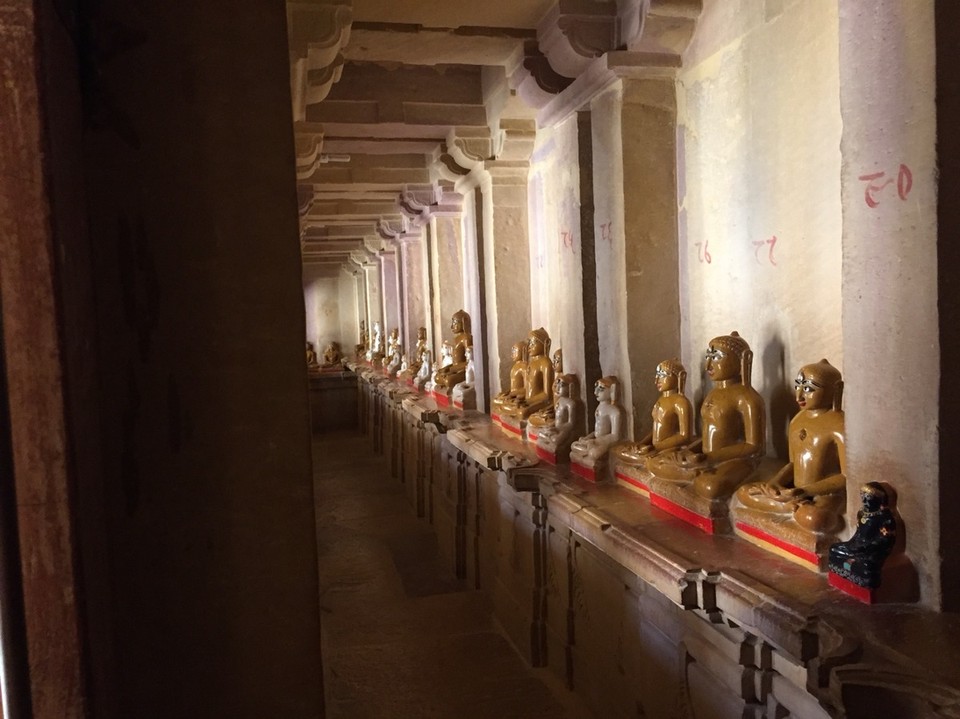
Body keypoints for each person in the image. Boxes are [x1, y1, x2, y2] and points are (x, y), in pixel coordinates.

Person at [647, 332, 765, 499]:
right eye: (707, 357)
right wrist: (689, 451)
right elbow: (707, 435)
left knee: (710, 487)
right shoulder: (712, 394)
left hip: (737, 460)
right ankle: (695, 473)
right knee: (654, 463)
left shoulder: (748, 398)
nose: (708, 365)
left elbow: (754, 446)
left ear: (742, 360)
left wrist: (710, 457)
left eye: (716, 357)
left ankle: (697, 475)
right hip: (705, 458)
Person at [736, 359, 845, 533]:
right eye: (798, 386)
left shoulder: (839, 425)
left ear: (836, 389)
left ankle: (794, 508)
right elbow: (793, 464)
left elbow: (845, 476)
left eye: (808, 389)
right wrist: (774, 483)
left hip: (825, 494)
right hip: (794, 492)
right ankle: (790, 508)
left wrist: (804, 490)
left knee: (816, 518)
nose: (799, 396)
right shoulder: (797, 420)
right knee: (744, 492)